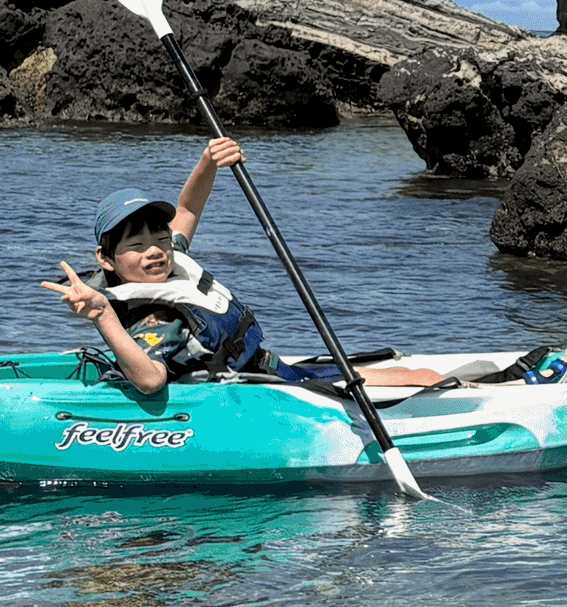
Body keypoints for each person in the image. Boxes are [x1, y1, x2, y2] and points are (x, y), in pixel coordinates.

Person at [47, 136, 446, 405]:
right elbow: (150, 381)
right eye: (136, 245)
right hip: (257, 391)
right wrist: (102, 314)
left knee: (419, 373)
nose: (154, 251)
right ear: (106, 259)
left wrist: (209, 161)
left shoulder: (171, 261)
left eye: (161, 238)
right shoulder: (157, 319)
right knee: (419, 381)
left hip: (267, 367)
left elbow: (187, 209)